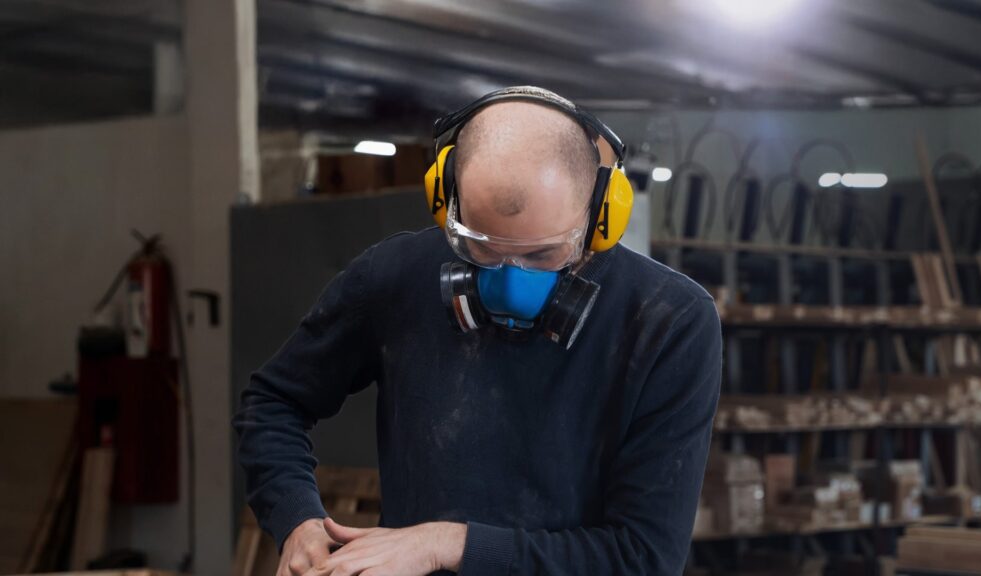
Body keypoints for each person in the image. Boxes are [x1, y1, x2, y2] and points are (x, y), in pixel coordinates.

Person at [233, 86, 722, 576]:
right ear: (447, 201)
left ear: (599, 215)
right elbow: (273, 403)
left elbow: (643, 559)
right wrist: (296, 519)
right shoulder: (394, 277)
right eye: (482, 249)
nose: (511, 283)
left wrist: (445, 543)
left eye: (543, 255)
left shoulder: (668, 321)